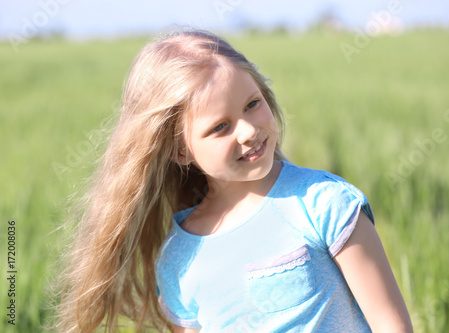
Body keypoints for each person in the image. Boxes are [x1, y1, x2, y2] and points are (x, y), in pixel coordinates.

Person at [55, 29, 413, 332]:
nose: (248, 130)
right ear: (180, 152)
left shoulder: (322, 203)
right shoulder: (179, 261)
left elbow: (390, 323)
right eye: (220, 127)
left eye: (252, 104)